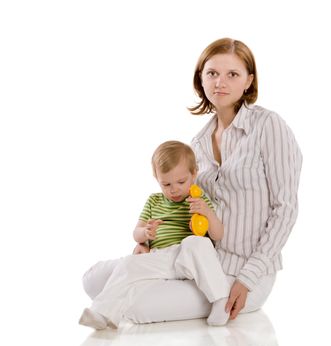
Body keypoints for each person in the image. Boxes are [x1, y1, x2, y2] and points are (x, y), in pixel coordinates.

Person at [82, 37, 302, 324]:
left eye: (232, 74)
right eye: (212, 73)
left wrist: (248, 278)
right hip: (195, 258)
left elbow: (285, 208)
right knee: (93, 280)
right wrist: (148, 245)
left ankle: (163, 293)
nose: (220, 83)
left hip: (243, 272)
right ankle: (145, 285)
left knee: (135, 308)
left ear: (248, 80)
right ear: (201, 78)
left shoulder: (269, 126)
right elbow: (179, 207)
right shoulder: (196, 146)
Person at [79, 141, 231, 329]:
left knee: (197, 243)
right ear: (156, 178)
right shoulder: (153, 201)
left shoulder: (199, 199)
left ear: (194, 174)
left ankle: (220, 298)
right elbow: (136, 233)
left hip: (188, 256)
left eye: (181, 182)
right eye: (166, 184)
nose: (173, 189)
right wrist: (145, 233)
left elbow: (218, 234)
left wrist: (207, 212)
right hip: (161, 257)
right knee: (128, 264)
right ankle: (102, 313)